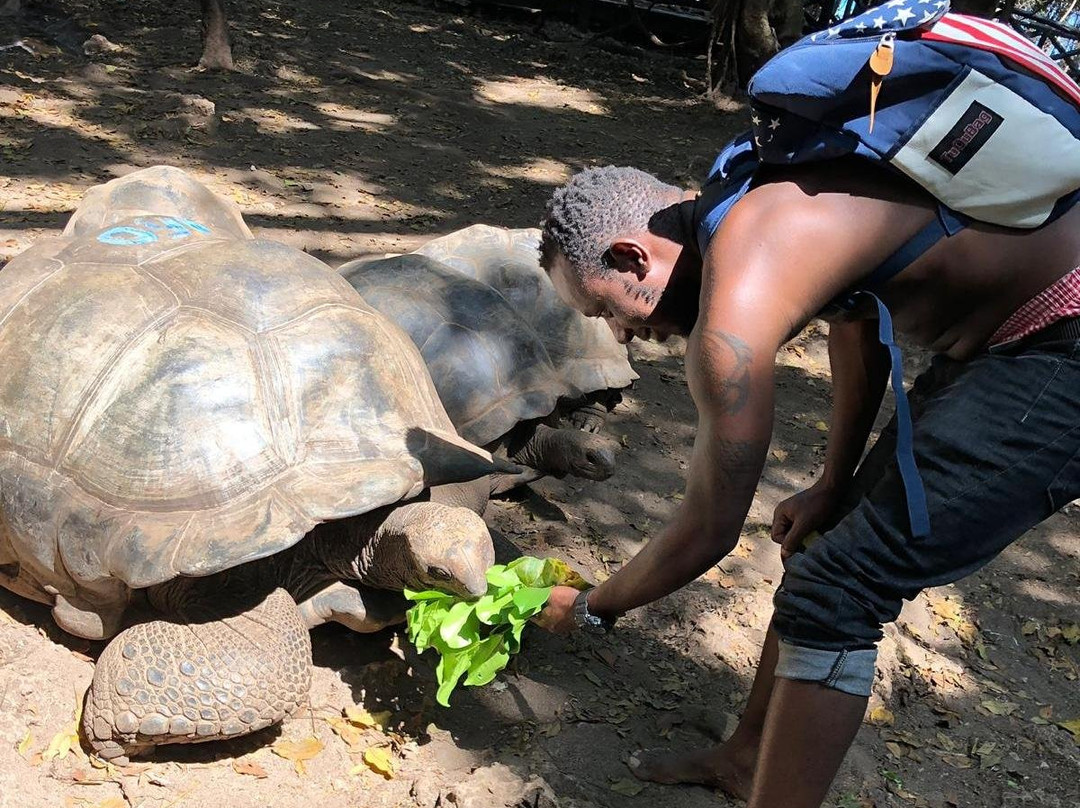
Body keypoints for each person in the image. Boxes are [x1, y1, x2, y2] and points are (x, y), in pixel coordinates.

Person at [532, 157, 1080, 808]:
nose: (623, 333)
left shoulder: (731, 302)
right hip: (1009, 335)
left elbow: (709, 529)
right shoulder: (755, 205)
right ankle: (745, 760)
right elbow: (857, 324)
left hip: (1061, 340)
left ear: (632, 257)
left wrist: (594, 608)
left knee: (837, 590)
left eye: (605, 309)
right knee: (825, 545)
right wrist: (832, 484)